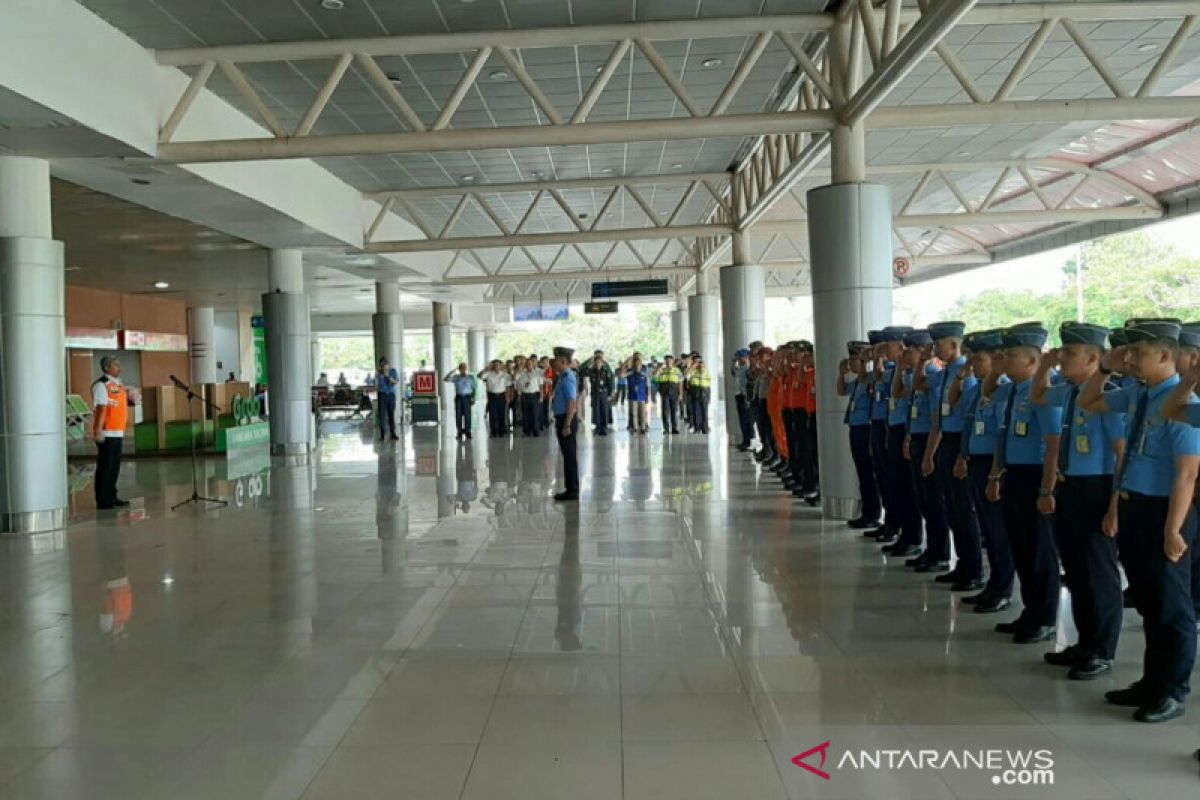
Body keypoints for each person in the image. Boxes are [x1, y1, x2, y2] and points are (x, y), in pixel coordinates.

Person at [1080, 319, 1200, 723]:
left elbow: (1186, 472)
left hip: (1166, 512)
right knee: (1149, 603)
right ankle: (1151, 682)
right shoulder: (1138, 393)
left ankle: (1172, 690)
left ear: (1166, 355)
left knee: (1172, 608)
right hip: (1135, 506)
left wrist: (1172, 529)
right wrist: (1105, 368)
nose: (1130, 358)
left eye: (1139, 352)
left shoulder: (1183, 404)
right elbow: (1088, 402)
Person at [1031, 322, 1125, 680]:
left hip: (1098, 489)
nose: (1062, 358)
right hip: (1069, 487)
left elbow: (1121, 455)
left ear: (1093, 359)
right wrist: (1044, 365)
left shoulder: (1108, 396)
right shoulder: (1069, 393)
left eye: (1069, 353)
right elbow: (1039, 395)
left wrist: (1115, 505)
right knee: (1077, 571)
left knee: (1098, 572)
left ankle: (1102, 650)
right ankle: (1085, 643)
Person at [986, 322, 1063, 645]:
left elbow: (1053, 442)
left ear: (1033, 362)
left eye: (1012, 355)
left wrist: (1046, 489)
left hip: (1035, 476)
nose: (1005, 359)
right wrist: (996, 474)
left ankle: (1044, 618)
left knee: (1039, 552)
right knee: (1020, 547)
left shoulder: (1042, 393)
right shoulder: (1013, 389)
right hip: (1014, 474)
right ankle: (1030, 611)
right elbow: (988, 389)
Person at [956, 329, 1015, 613]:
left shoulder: (1002, 390)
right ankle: (992, 585)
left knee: (998, 531)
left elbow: (1002, 434)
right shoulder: (982, 390)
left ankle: (1002, 588)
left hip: (994, 464)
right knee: (989, 531)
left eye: (979, 359)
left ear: (996, 360)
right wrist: (963, 456)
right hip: (977, 461)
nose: (974, 364)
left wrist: (995, 473)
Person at [924, 321, 984, 591]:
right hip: (947, 438)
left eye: (939, 344)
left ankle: (973, 569)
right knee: (953, 507)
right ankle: (962, 564)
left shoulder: (966, 373)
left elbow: (959, 405)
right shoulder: (948, 370)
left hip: (962, 440)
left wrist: (963, 454)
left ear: (953, 344)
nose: (935, 348)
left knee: (963, 509)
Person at [838, 341, 882, 529]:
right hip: (855, 428)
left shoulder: (870, 379)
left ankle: (873, 513)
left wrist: (866, 364)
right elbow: (840, 390)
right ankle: (867, 512)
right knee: (862, 473)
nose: (851, 364)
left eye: (854, 360)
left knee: (869, 473)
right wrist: (841, 374)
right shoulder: (856, 382)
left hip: (866, 429)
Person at [91, 356, 136, 510]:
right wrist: (98, 431)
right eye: (116, 365)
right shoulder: (102, 385)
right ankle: (103, 500)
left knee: (114, 468)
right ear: (107, 368)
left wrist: (132, 398)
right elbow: (102, 408)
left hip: (118, 432)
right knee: (105, 467)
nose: (120, 368)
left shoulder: (119, 385)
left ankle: (112, 496)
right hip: (107, 433)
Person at [551, 347, 580, 502]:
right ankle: (570, 488)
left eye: (556, 360)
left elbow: (572, 402)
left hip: (566, 419)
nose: (553, 362)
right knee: (567, 456)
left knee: (569, 456)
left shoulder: (567, 376)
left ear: (563, 361)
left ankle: (573, 491)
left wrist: (567, 424)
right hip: (562, 418)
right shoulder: (562, 375)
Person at [478, 359, 513, 437]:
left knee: (502, 413)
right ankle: (493, 431)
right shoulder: (488, 374)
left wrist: (508, 397)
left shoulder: (505, 374)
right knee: (492, 414)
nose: (496, 366)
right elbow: (479, 376)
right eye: (495, 365)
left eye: (498, 365)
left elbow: (508, 387)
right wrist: (486, 369)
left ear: (501, 366)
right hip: (492, 396)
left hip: (502, 396)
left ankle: (501, 430)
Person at [583, 352, 615, 435]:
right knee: (596, 411)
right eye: (596, 362)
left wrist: (610, 394)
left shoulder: (605, 371)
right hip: (595, 394)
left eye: (599, 362)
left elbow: (610, 383)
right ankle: (597, 427)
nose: (598, 364)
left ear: (602, 363)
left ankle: (604, 428)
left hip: (604, 393)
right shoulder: (591, 371)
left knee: (604, 411)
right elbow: (581, 370)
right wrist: (590, 359)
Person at [444, 363, 477, 440]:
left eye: (465, 368)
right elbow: (445, 379)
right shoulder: (456, 377)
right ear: (459, 369)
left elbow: (474, 388)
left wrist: (473, 398)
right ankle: (459, 432)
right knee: (458, 415)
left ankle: (468, 432)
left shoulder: (470, 377)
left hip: (468, 397)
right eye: (461, 368)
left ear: (466, 368)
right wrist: (452, 371)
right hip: (459, 398)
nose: (463, 369)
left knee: (468, 415)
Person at [514, 356, 545, 437]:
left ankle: (536, 431)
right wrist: (519, 396)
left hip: (535, 395)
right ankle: (527, 431)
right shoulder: (522, 374)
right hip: (525, 395)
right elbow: (517, 382)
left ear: (533, 364)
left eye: (530, 364)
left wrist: (541, 396)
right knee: (526, 414)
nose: (529, 365)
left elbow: (541, 385)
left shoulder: (538, 373)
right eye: (527, 364)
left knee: (535, 414)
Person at [731, 348, 754, 451]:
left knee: (747, 419)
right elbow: (733, 371)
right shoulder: (739, 368)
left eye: (740, 357)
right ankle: (745, 440)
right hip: (739, 395)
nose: (739, 360)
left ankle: (749, 441)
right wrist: (733, 361)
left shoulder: (748, 368)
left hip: (745, 396)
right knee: (742, 419)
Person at [656, 355, 682, 434]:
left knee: (674, 410)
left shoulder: (677, 371)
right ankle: (666, 429)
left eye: (670, 361)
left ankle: (674, 428)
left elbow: (680, 382)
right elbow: (654, 375)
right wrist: (659, 367)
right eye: (666, 361)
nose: (668, 363)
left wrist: (680, 393)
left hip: (674, 392)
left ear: (673, 361)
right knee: (665, 411)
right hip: (664, 392)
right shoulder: (662, 370)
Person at [686, 355, 712, 434]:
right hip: (695, 391)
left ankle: (705, 428)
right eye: (697, 362)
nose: (698, 364)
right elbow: (686, 375)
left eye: (700, 362)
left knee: (704, 411)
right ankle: (697, 428)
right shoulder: (693, 371)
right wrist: (692, 367)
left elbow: (709, 381)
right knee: (696, 410)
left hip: (705, 391)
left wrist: (702, 368)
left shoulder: (706, 371)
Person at [375, 356, 400, 441]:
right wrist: (378, 377)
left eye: (385, 365)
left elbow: (396, 382)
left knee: (391, 415)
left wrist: (388, 377)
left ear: (388, 365)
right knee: (382, 415)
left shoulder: (393, 371)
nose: (384, 367)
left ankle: (393, 433)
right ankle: (383, 435)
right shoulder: (379, 374)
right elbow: (378, 386)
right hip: (382, 395)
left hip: (391, 395)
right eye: (382, 366)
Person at [625, 356, 650, 434]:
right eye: (635, 364)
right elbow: (621, 375)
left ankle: (643, 428)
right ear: (633, 365)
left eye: (639, 364)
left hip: (642, 397)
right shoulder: (630, 374)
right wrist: (626, 362)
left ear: (641, 364)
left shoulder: (644, 374)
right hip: (632, 397)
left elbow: (648, 386)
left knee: (642, 414)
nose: (637, 366)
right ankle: (635, 428)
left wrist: (647, 397)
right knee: (634, 414)